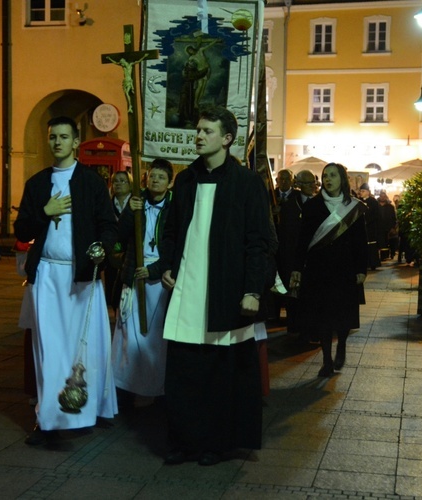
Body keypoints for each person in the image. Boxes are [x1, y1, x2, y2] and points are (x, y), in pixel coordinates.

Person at [159, 105, 270, 466]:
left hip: (225, 290)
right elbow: (172, 231)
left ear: (227, 138)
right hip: (188, 289)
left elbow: (260, 241)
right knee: (184, 372)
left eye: (207, 131)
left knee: (220, 374)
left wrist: (253, 290)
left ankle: (216, 444)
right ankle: (184, 441)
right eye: (198, 130)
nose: (199, 136)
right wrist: (167, 266)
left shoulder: (247, 183)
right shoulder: (186, 179)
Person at [14, 116, 118, 445]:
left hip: (82, 276)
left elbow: (109, 225)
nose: (57, 142)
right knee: (49, 348)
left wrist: (102, 248)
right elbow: (21, 231)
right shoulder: (37, 184)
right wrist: (44, 211)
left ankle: (87, 410)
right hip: (46, 275)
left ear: (76, 142)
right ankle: (48, 419)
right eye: (52, 137)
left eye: (64, 137)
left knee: (84, 345)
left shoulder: (91, 183)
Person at [290, 163, 368, 377]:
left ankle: (341, 343)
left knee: (343, 314)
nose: (328, 179)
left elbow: (360, 242)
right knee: (322, 316)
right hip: (319, 269)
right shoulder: (312, 206)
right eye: (325, 176)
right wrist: (297, 268)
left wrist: (361, 268)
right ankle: (326, 360)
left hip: (345, 268)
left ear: (342, 179)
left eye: (333, 176)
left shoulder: (354, 207)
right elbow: (303, 240)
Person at [111, 159, 173, 407]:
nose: (155, 180)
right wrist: (129, 213)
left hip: (158, 280)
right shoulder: (137, 203)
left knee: (155, 338)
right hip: (134, 274)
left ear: (170, 182)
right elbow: (119, 238)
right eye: (152, 176)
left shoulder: (174, 207)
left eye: (161, 177)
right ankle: (125, 388)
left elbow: (175, 244)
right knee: (128, 334)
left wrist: (155, 270)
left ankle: (156, 390)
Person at [276, 169, 317, 339]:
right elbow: (285, 233)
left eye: (313, 183)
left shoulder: (319, 203)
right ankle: (293, 326)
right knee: (293, 293)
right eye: (307, 183)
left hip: (312, 256)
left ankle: (310, 328)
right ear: (298, 185)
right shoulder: (290, 204)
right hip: (292, 255)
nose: (311, 186)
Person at [105, 171, 133, 310]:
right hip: (113, 247)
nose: (118, 184)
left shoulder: (134, 203)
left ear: (130, 184)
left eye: (122, 181)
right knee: (111, 278)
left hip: (130, 247)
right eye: (115, 181)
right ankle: (112, 305)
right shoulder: (107, 204)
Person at [359, 183, 381, 270]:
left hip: (371, 227)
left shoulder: (373, 202)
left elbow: (376, 215)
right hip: (362, 227)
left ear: (368, 192)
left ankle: (373, 263)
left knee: (371, 246)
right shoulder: (358, 201)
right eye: (360, 191)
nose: (361, 193)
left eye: (363, 191)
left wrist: (368, 221)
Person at [378, 191, 398, 259]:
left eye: (384, 196)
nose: (383, 198)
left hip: (388, 227)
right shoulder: (377, 206)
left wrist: (393, 226)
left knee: (389, 241)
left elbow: (393, 217)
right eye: (381, 196)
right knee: (382, 242)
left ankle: (389, 254)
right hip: (380, 227)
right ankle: (383, 255)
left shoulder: (390, 207)